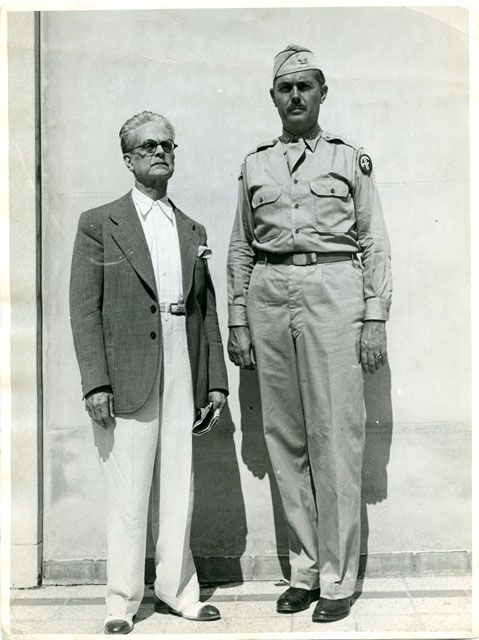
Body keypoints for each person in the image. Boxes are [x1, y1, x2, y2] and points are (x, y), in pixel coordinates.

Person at [227, 45, 392, 623]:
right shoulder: (255, 165)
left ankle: (338, 579)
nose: (295, 96)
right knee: (285, 435)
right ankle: (305, 569)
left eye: (305, 86)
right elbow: (241, 246)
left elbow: (373, 241)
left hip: (333, 291)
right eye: (285, 88)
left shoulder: (349, 159)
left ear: (323, 93)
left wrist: (374, 315)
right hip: (269, 293)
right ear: (273, 97)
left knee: (335, 436)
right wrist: (238, 318)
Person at [70, 111, 228, 634]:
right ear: (128, 159)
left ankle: (179, 590)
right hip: (127, 370)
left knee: (179, 482)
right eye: (148, 146)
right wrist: (96, 382)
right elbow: (84, 309)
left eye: (167, 145)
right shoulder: (99, 223)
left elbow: (206, 311)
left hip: (182, 357)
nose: (160, 152)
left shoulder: (192, 228)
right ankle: (121, 600)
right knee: (128, 490)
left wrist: (215, 381)